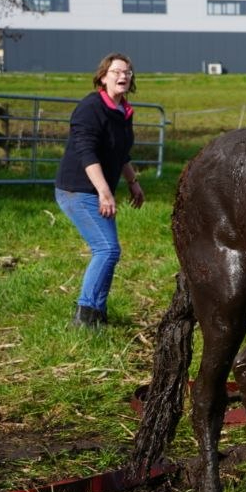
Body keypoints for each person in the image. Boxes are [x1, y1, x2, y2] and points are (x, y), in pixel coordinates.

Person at [54, 52, 146, 328]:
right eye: (117, 71)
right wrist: (105, 192)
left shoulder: (123, 111)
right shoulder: (90, 108)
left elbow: (120, 153)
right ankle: (85, 316)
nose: (123, 76)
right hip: (77, 190)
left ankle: (97, 314)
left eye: (128, 72)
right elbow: (86, 152)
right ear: (103, 76)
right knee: (106, 249)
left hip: (97, 190)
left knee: (108, 250)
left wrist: (132, 182)